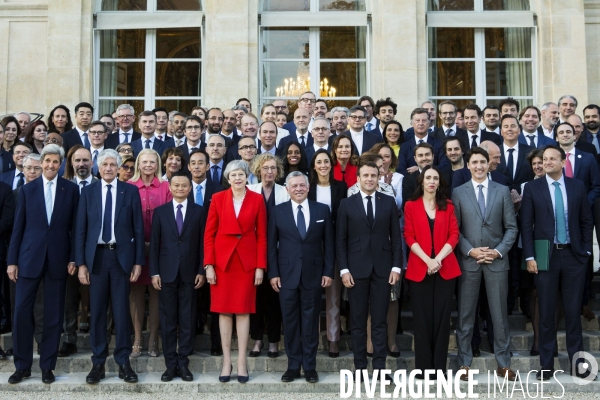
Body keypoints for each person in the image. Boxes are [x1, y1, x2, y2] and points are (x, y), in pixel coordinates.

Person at [7, 144, 79, 384]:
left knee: (53, 316)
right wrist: (12, 261)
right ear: (41, 164)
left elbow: (75, 228)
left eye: (54, 162)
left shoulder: (71, 189)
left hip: (58, 260)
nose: (50, 165)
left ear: (60, 164)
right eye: (46, 161)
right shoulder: (28, 190)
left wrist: (73, 257)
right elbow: (18, 229)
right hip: (28, 260)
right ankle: (22, 366)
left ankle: (48, 366)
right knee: (22, 314)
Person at [521, 145, 594, 381]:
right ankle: (546, 365)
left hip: (573, 257)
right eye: (545, 159)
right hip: (545, 257)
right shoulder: (533, 187)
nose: (547, 162)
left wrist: (584, 251)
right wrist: (530, 257)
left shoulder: (577, 186)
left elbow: (586, 221)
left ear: (563, 162)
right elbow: (526, 225)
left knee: (573, 313)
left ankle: (578, 363)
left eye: (553, 158)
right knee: (546, 313)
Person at [75, 149, 144, 384]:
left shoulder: (130, 191)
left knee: (121, 312)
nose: (108, 168)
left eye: (113, 164)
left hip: (121, 259)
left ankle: (124, 362)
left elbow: (138, 229)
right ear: (97, 166)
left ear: (119, 168)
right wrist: (81, 263)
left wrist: (137, 261)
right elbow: (80, 231)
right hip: (96, 259)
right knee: (97, 313)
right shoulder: (88, 192)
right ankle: (98, 363)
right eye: (104, 164)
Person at [452, 147, 519, 382]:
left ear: (489, 164)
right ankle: (464, 363)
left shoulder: (502, 191)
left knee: (499, 315)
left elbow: (511, 227)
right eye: (474, 162)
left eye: (483, 162)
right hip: (469, 261)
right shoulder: (459, 192)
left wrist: (498, 252)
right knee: (466, 315)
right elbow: (456, 230)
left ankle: (504, 363)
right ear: (467, 165)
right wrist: (471, 250)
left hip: (496, 262)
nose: (479, 166)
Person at [336, 159, 402, 377]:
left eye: (373, 175)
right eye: (365, 175)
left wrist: (396, 267)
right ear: (358, 179)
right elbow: (341, 240)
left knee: (380, 320)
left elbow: (396, 238)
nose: (370, 179)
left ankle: (381, 368)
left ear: (378, 178)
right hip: (355, 271)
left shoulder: (389, 202)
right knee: (357, 321)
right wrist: (344, 270)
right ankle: (360, 367)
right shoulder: (347, 204)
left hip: (383, 270)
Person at [204, 160, 266, 383]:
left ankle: (241, 361)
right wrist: (208, 265)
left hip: (246, 263)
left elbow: (262, 236)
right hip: (223, 263)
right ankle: (226, 361)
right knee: (223, 311)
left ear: (247, 176)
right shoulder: (218, 199)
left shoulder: (257, 199)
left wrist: (260, 266)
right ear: (227, 178)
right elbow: (209, 234)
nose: (237, 178)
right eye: (233, 175)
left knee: (243, 311)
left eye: (241, 174)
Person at [268, 171, 334, 383]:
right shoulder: (278, 212)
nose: (298, 189)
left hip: (313, 275)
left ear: (308, 187)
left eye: (301, 185)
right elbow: (271, 246)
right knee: (290, 322)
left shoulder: (322, 209)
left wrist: (328, 271)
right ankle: (293, 365)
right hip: (286, 276)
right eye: (293, 186)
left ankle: (310, 366)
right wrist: (274, 273)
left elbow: (329, 245)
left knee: (310, 321)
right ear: (287, 189)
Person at [403, 165, 460, 375]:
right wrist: (428, 260)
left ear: (439, 182)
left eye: (435, 178)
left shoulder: (449, 206)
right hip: (420, 267)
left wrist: (437, 259)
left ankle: (439, 368)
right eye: (428, 177)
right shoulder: (411, 206)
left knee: (443, 320)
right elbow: (408, 235)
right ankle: (424, 368)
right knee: (422, 319)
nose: (432, 181)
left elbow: (454, 235)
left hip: (445, 268)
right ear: (422, 181)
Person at [149, 171, 206, 382]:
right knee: (168, 320)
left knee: (187, 319)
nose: (180, 188)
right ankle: (170, 364)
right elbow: (155, 244)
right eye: (176, 185)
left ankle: (184, 363)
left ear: (190, 188)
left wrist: (201, 270)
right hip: (166, 274)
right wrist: (154, 271)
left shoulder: (199, 211)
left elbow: (202, 244)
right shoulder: (161, 212)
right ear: (170, 188)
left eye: (184, 186)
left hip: (191, 273)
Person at [127, 149, 172, 358]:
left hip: (159, 248)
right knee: (135, 293)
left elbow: (171, 218)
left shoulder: (165, 187)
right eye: (144, 162)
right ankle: (137, 338)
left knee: (156, 293)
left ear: (157, 165)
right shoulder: (128, 186)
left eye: (152, 162)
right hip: (134, 248)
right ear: (138, 164)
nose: (148, 165)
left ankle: (153, 338)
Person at [247, 153, 289, 358]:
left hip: (279, 252)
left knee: (274, 299)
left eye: (273, 168)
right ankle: (257, 340)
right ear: (258, 170)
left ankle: (273, 341)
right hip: (253, 252)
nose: (269, 172)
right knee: (255, 298)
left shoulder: (285, 192)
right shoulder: (249, 190)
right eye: (265, 168)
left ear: (278, 171)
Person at [58, 145, 97, 358]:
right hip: (70, 252)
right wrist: (74, 256)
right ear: (71, 164)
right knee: (69, 298)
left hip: (99, 251)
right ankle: (69, 339)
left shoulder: (102, 185)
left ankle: (102, 338)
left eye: (85, 160)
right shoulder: (64, 187)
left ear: (92, 162)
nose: (81, 164)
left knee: (102, 297)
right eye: (77, 160)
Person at [307, 149, 347, 357]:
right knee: (312, 295)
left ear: (331, 165)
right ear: (314, 166)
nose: (323, 165)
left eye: (326, 161)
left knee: (333, 295)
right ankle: (311, 337)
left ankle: (333, 339)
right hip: (313, 246)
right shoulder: (308, 188)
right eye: (319, 162)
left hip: (335, 245)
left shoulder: (341, 187)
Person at [187, 148, 225, 356]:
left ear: (208, 166)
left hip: (214, 251)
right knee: (191, 299)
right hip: (188, 252)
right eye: (193, 163)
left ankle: (216, 342)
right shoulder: (182, 188)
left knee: (214, 299)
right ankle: (190, 339)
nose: (197, 166)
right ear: (188, 166)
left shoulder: (219, 190)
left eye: (201, 162)